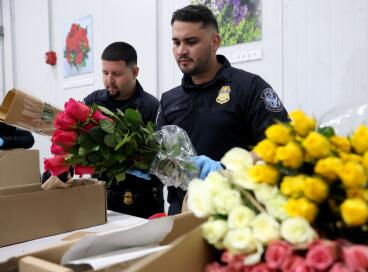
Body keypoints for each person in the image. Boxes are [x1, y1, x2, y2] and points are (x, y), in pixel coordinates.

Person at [157, 5, 289, 214]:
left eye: (191, 42)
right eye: (176, 42)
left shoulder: (249, 87)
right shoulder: (169, 100)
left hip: (238, 212)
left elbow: (281, 142)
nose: (181, 50)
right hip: (184, 212)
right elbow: (162, 157)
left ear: (214, 42)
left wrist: (228, 170)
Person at [83, 42, 163, 219]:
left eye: (116, 74)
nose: (109, 80)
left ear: (134, 72)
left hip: (143, 200)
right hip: (102, 196)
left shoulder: (152, 107)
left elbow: (161, 159)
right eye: (105, 73)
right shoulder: (94, 102)